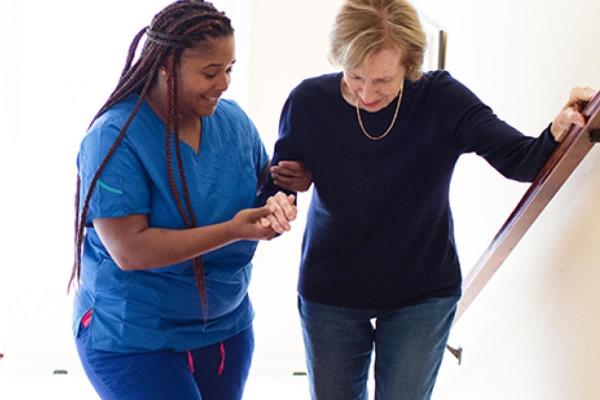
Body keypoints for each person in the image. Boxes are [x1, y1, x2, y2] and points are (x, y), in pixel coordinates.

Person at [259, 0, 597, 399]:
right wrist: (278, 203)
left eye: (383, 81)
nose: (367, 93)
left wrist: (560, 129)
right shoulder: (309, 101)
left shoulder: (440, 98)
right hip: (331, 289)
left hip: (421, 291)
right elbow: (280, 181)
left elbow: (520, 161)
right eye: (355, 76)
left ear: (411, 64)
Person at [69, 1, 310, 399]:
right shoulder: (113, 138)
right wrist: (233, 230)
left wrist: (285, 191)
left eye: (229, 69)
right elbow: (130, 250)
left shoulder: (232, 123)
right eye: (210, 72)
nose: (224, 83)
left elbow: (263, 188)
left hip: (223, 326)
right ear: (166, 64)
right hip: (134, 336)